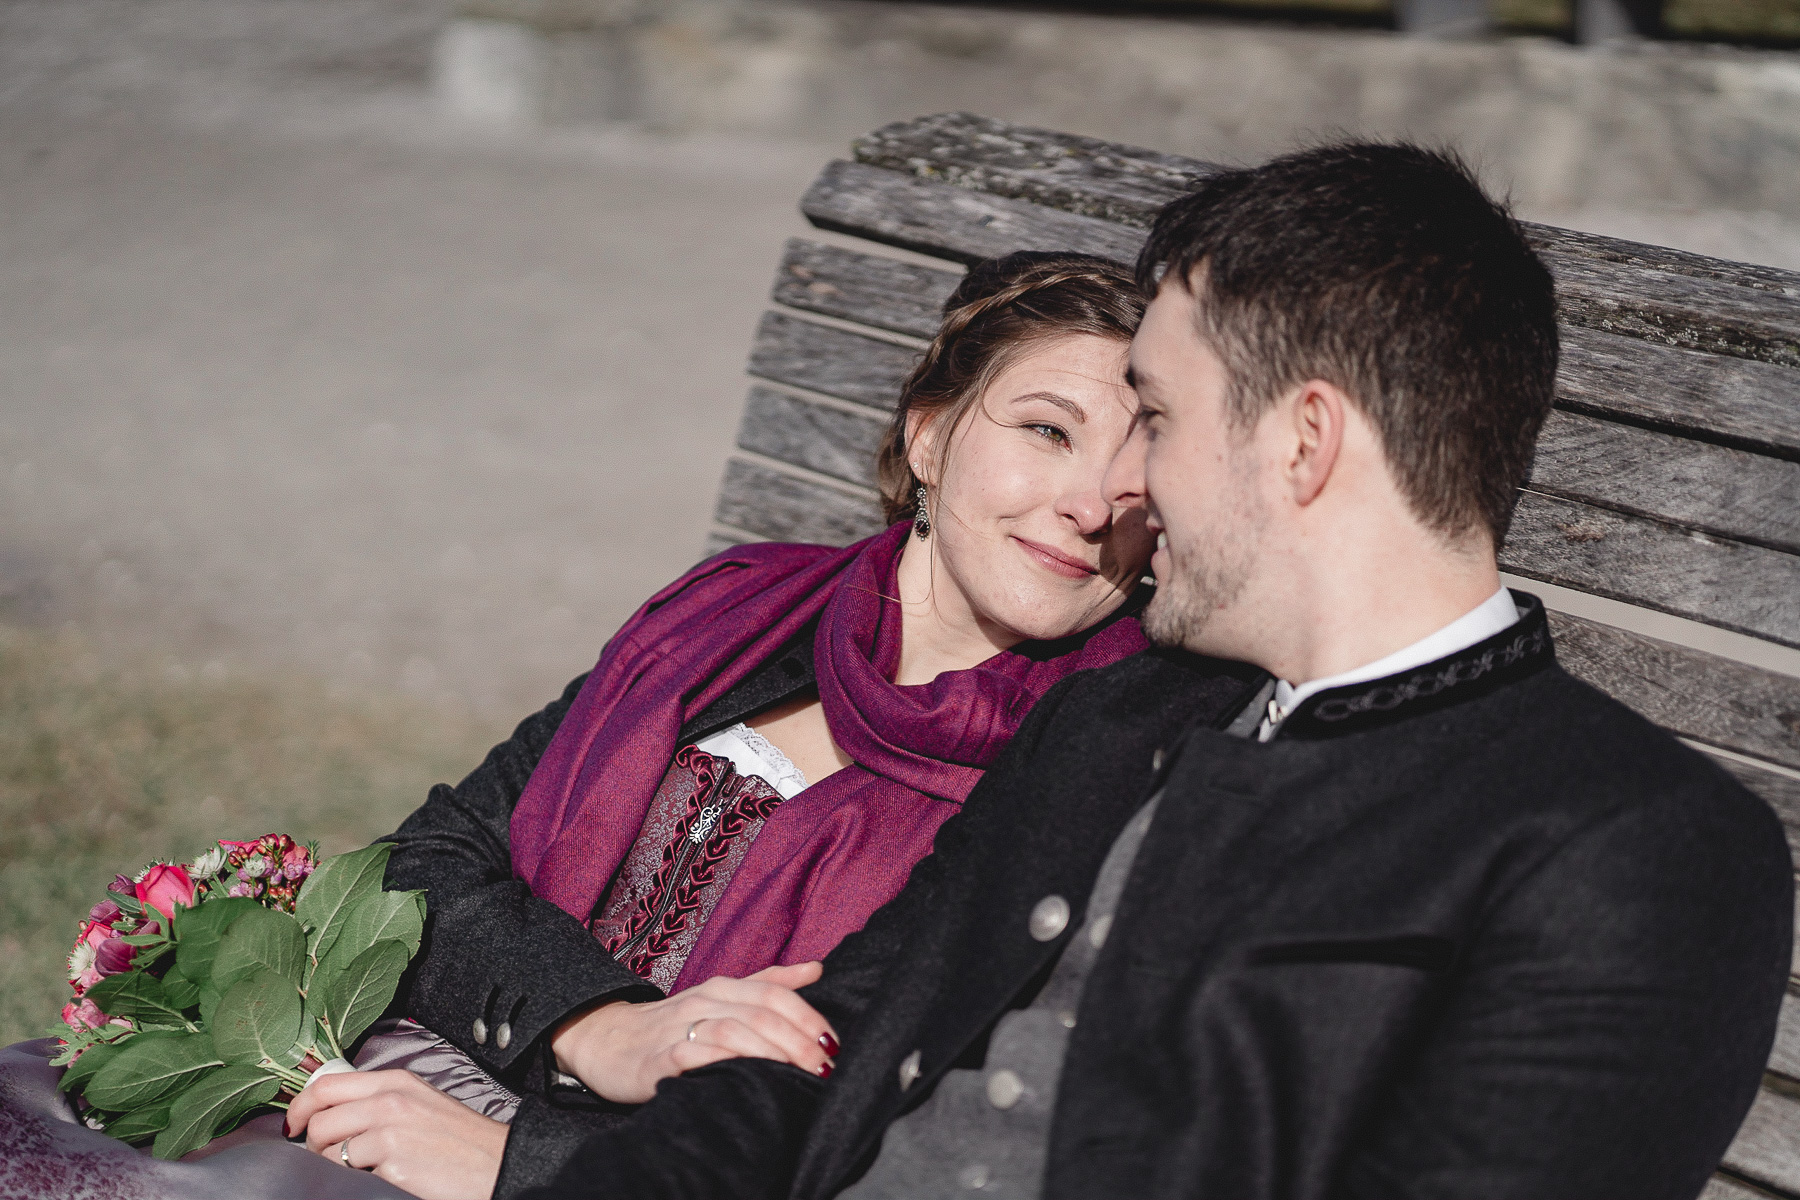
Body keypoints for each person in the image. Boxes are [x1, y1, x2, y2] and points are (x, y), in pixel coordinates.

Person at [492, 143, 1795, 1200]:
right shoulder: (1112, 717)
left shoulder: (1640, 850)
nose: (1131, 490)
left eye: (1158, 420)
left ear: (1303, 445)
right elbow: (826, 1045)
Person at [282, 252, 1263, 1199]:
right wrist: (600, 1030)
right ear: (931, 434)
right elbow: (422, 866)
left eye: (1140, 474)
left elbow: (907, 1124)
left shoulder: (1107, 760)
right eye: (1049, 431)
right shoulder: (736, 617)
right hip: (409, 1097)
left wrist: (523, 1165)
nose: (1092, 505)